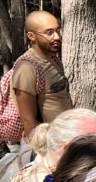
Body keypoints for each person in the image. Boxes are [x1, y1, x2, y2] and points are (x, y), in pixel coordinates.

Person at [12, 11, 73, 140]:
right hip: (50, 143)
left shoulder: (53, 59)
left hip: (65, 137)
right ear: (31, 36)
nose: (57, 37)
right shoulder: (27, 67)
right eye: (49, 32)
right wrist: (45, 152)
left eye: (57, 31)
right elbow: (28, 121)